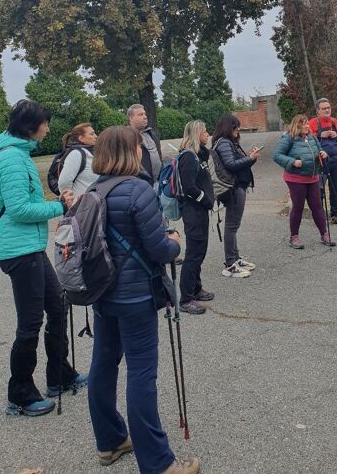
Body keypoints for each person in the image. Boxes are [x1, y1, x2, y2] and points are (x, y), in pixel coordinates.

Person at [87, 126, 199, 473]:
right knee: (141, 374)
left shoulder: (94, 190)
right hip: (136, 297)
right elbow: (159, 248)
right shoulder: (137, 190)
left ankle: (110, 441)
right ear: (131, 151)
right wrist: (176, 242)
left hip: (102, 293)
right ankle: (159, 464)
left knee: (103, 367)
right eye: (138, 147)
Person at [0, 99, 87, 417]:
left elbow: (25, 200)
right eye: (44, 123)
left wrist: (58, 200)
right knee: (30, 323)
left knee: (58, 306)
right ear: (31, 126)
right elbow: (19, 210)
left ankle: (59, 375)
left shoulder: (19, 155)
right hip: (18, 251)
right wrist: (60, 207)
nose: (47, 128)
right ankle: (20, 395)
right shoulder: (12, 160)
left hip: (28, 248)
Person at [273, 114, 331, 249]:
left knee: (317, 206)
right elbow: (276, 155)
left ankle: (324, 234)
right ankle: (294, 237)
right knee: (298, 207)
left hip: (313, 177)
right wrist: (292, 162)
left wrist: (323, 155)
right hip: (295, 179)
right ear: (297, 125)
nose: (307, 126)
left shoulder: (312, 137)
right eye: (304, 124)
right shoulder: (288, 137)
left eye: (307, 124)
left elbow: (319, 151)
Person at [212, 115, 259, 278]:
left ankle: (235, 258)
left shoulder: (230, 142)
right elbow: (231, 165)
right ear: (227, 128)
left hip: (238, 187)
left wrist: (251, 159)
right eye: (235, 127)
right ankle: (230, 264)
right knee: (231, 226)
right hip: (233, 188)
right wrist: (249, 158)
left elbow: (239, 163)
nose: (238, 130)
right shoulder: (224, 143)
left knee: (233, 225)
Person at [178, 121, 215, 315]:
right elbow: (189, 187)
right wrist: (205, 200)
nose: (207, 134)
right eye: (204, 131)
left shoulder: (198, 154)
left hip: (200, 211)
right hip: (193, 211)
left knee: (200, 251)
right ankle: (186, 298)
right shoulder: (188, 157)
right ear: (196, 133)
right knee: (193, 254)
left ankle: (196, 287)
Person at [309, 98, 337, 225]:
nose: (327, 110)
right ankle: (319, 215)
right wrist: (320, 135)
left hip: (335, 159)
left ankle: (336, 214)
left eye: (328, 107)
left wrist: (336, 134)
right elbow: (307, 137)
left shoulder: (334, 122)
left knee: (335, 188)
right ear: (318, 111)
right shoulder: (313, 122)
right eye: (324, 108)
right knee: (319, 188)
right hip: (320, 161)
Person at [57, 122, 98, 195]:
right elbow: (64, 182)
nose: (96, 136)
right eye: (92, 134)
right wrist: (71, 199)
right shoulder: (76, 154)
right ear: (81, 138)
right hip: (80, 203)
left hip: (91, 202)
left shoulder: (91, 152)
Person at [127, 103, 163, 183]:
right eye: (140, 114)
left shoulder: (151, 133)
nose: (145, 117)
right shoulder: (126, 137)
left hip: (157, 181)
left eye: (145, 114)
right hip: (141, 184)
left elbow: (158, 154)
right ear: (131, 118)